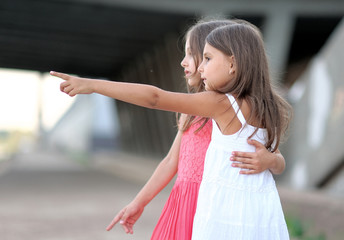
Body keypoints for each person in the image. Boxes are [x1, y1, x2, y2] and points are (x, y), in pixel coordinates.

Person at [51, 19, 291, 239]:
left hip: (214, 204)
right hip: (254, 209)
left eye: (205, 58)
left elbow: (154, 98)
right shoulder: (264, 105)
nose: (195, 67)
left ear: (232, 63)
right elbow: (171, 161)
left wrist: (93, 85)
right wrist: (139, 202)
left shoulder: (220, 104)